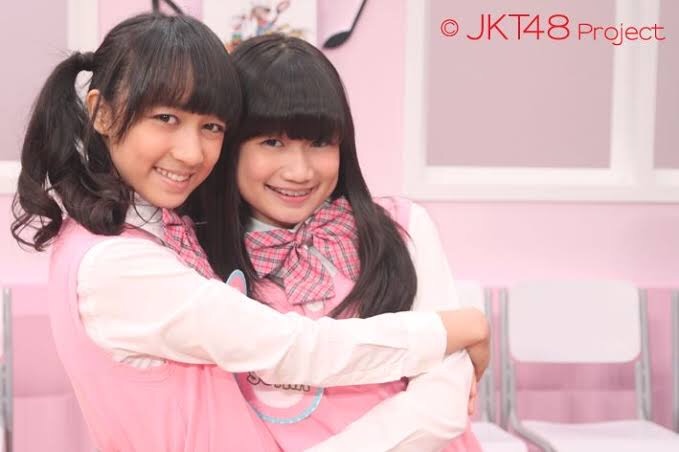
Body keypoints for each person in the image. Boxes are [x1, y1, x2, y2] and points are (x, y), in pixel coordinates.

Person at [11, 13, 487, 451]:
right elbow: (294, 348)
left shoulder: (397, 227)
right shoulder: (131, 261)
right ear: (102, 112)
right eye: (166, 119)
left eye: (211, 127)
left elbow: (443, 403)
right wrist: (461, 327)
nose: (191, 152)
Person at [190, 34, 487, 451]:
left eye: (320, 142)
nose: (299, 171)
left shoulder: (402, 227)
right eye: (272, 142)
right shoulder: (193, 253)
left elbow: (444, 399)